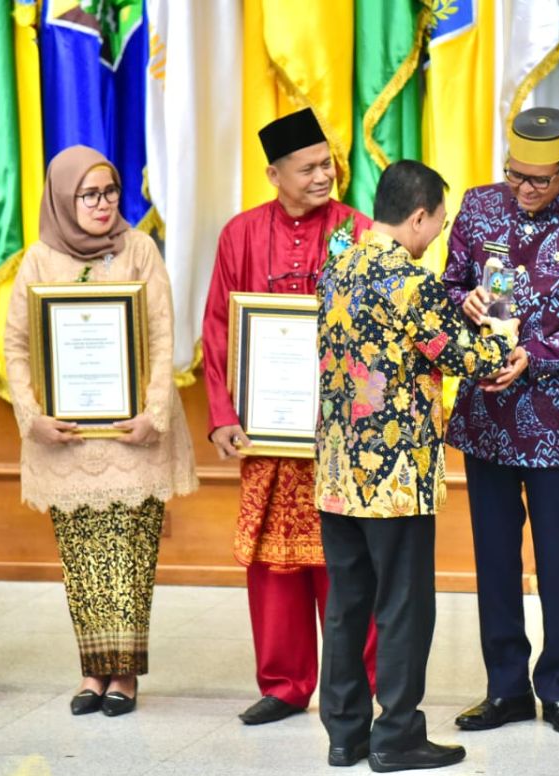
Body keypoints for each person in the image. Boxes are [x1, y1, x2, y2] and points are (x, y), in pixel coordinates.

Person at [316, 159, 518, 772]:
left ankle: (345, 733)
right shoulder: (410, 279)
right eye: (441, 221)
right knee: (404, 605)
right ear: (420, 215)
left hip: (336, 472)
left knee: (347, 603)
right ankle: (398, 734)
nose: (440, 233)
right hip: (395, 479)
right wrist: (501, 327)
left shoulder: (339, 263)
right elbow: (464, 356)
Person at [444, 107, 559, 736]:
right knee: (494, 558)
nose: (522, 189)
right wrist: (461, 302)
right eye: (514, 175)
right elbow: (446, 293)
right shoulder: (476, 209)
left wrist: (538, 354)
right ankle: (504, 689)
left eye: (539, 180)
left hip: (556, 417)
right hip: (486, 412)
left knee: (556, 557)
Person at [4, 145, 198, 717]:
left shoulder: (139, 250)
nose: (102, 204)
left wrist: (153, 415)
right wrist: (30, 416)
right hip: (65, 438)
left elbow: (162, 335)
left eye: (110, 192)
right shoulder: (38, 260)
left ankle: (126, 677)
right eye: (89, 194)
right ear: (64, 198)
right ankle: (92, 673)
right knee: (82, 559)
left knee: (131, 558)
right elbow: (15, 345)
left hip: (132, 434)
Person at [202, 107, 376, 725]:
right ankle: (284, 684)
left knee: (347, 558)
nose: (323, 176)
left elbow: (375, 331)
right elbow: (219, 327)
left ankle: (360, 680)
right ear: (275, 173)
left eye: (327, 163)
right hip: (270, 433)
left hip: (341, 437)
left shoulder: (359, 231)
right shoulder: (240, 235)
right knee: (275, 563)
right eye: (307, 169)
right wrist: (222, 413)